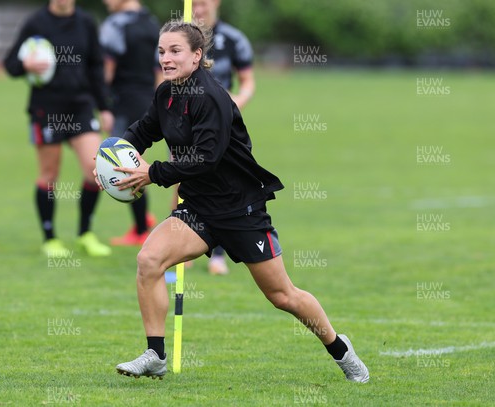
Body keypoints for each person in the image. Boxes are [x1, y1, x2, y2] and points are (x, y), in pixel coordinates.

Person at [93, 21, 370, 383]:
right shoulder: (166, 95)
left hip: (242, 209)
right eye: (162, 52)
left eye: (175, 51)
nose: (166, 58)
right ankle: (155, 355)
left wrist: (153, 173)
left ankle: (341, 350)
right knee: (148, 260)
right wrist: (113, 162)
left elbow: (205, 158)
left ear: (197, 55)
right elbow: (142, 131)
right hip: (198, 208)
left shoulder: (211, 98)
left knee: (283, 296)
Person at [3, 0, 113, 258]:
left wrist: (104, 107)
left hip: (81, 106)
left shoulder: (86, 22)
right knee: (49, 174)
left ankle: (85, 233)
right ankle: (50, 238)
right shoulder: (36, 23)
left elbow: (96, 66)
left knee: (95, 170)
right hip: (46, 108)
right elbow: (10, 64)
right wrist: (25, 66)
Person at [184, 0, 257, 275]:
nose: (199, 9)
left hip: (222, 125)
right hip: (188, 121)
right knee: (183, 179)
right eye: (195, 4)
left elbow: (247, 80)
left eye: (203, 4)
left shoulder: (234, 39)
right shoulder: (179, 39)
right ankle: (184, 244)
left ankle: (218, 254)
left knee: (225, 183)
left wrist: (237, 100)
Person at [100, 0, 162, 245]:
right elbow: (160, 69)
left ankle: (140, 228)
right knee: (133, 162)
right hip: (148, 101)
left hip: (122, 104)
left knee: (119, 165)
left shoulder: (114, 24)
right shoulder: (153, 22)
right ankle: (141, 224)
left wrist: (103, 106)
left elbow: (106, 72)